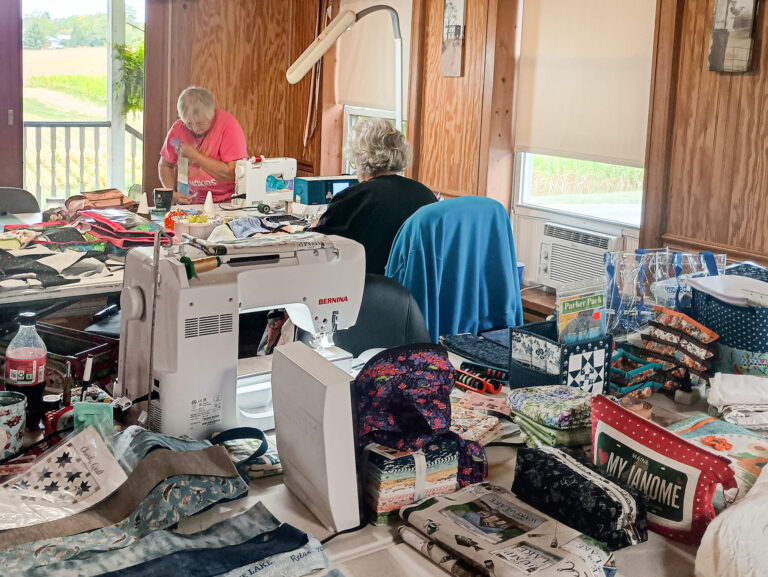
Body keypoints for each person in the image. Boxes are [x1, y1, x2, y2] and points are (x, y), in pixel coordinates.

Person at [313, 118, 437, 275]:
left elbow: (316, 246)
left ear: (361, 159)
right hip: (414, 285)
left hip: (363, 284)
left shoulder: (353, 198)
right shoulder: (425, 194)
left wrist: (316, 224)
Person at [158, 86, 247, 204]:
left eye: (200, 123)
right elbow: (165, 165)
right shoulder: (178, 128)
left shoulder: (228, 124)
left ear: (211, 115)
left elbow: (232, 174)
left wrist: (195, 156)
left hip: (229, 201)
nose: (195, 128)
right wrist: (171, 193)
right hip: (193, 202)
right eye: (189, 123)